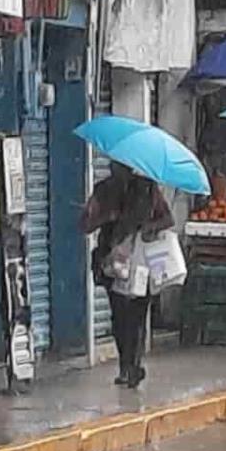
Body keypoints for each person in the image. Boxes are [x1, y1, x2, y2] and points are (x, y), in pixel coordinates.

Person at [82, 162, 174, 388]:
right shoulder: (103, 191)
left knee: (137, 314)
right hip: (112, 263)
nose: (118, 170)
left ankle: (133, 365)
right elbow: (85, 224)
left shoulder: (147, 189)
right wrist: (106, 217)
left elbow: (167, 219)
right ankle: (126, 364)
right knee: (119, 316)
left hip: (141, 261)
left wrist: (148, 227)